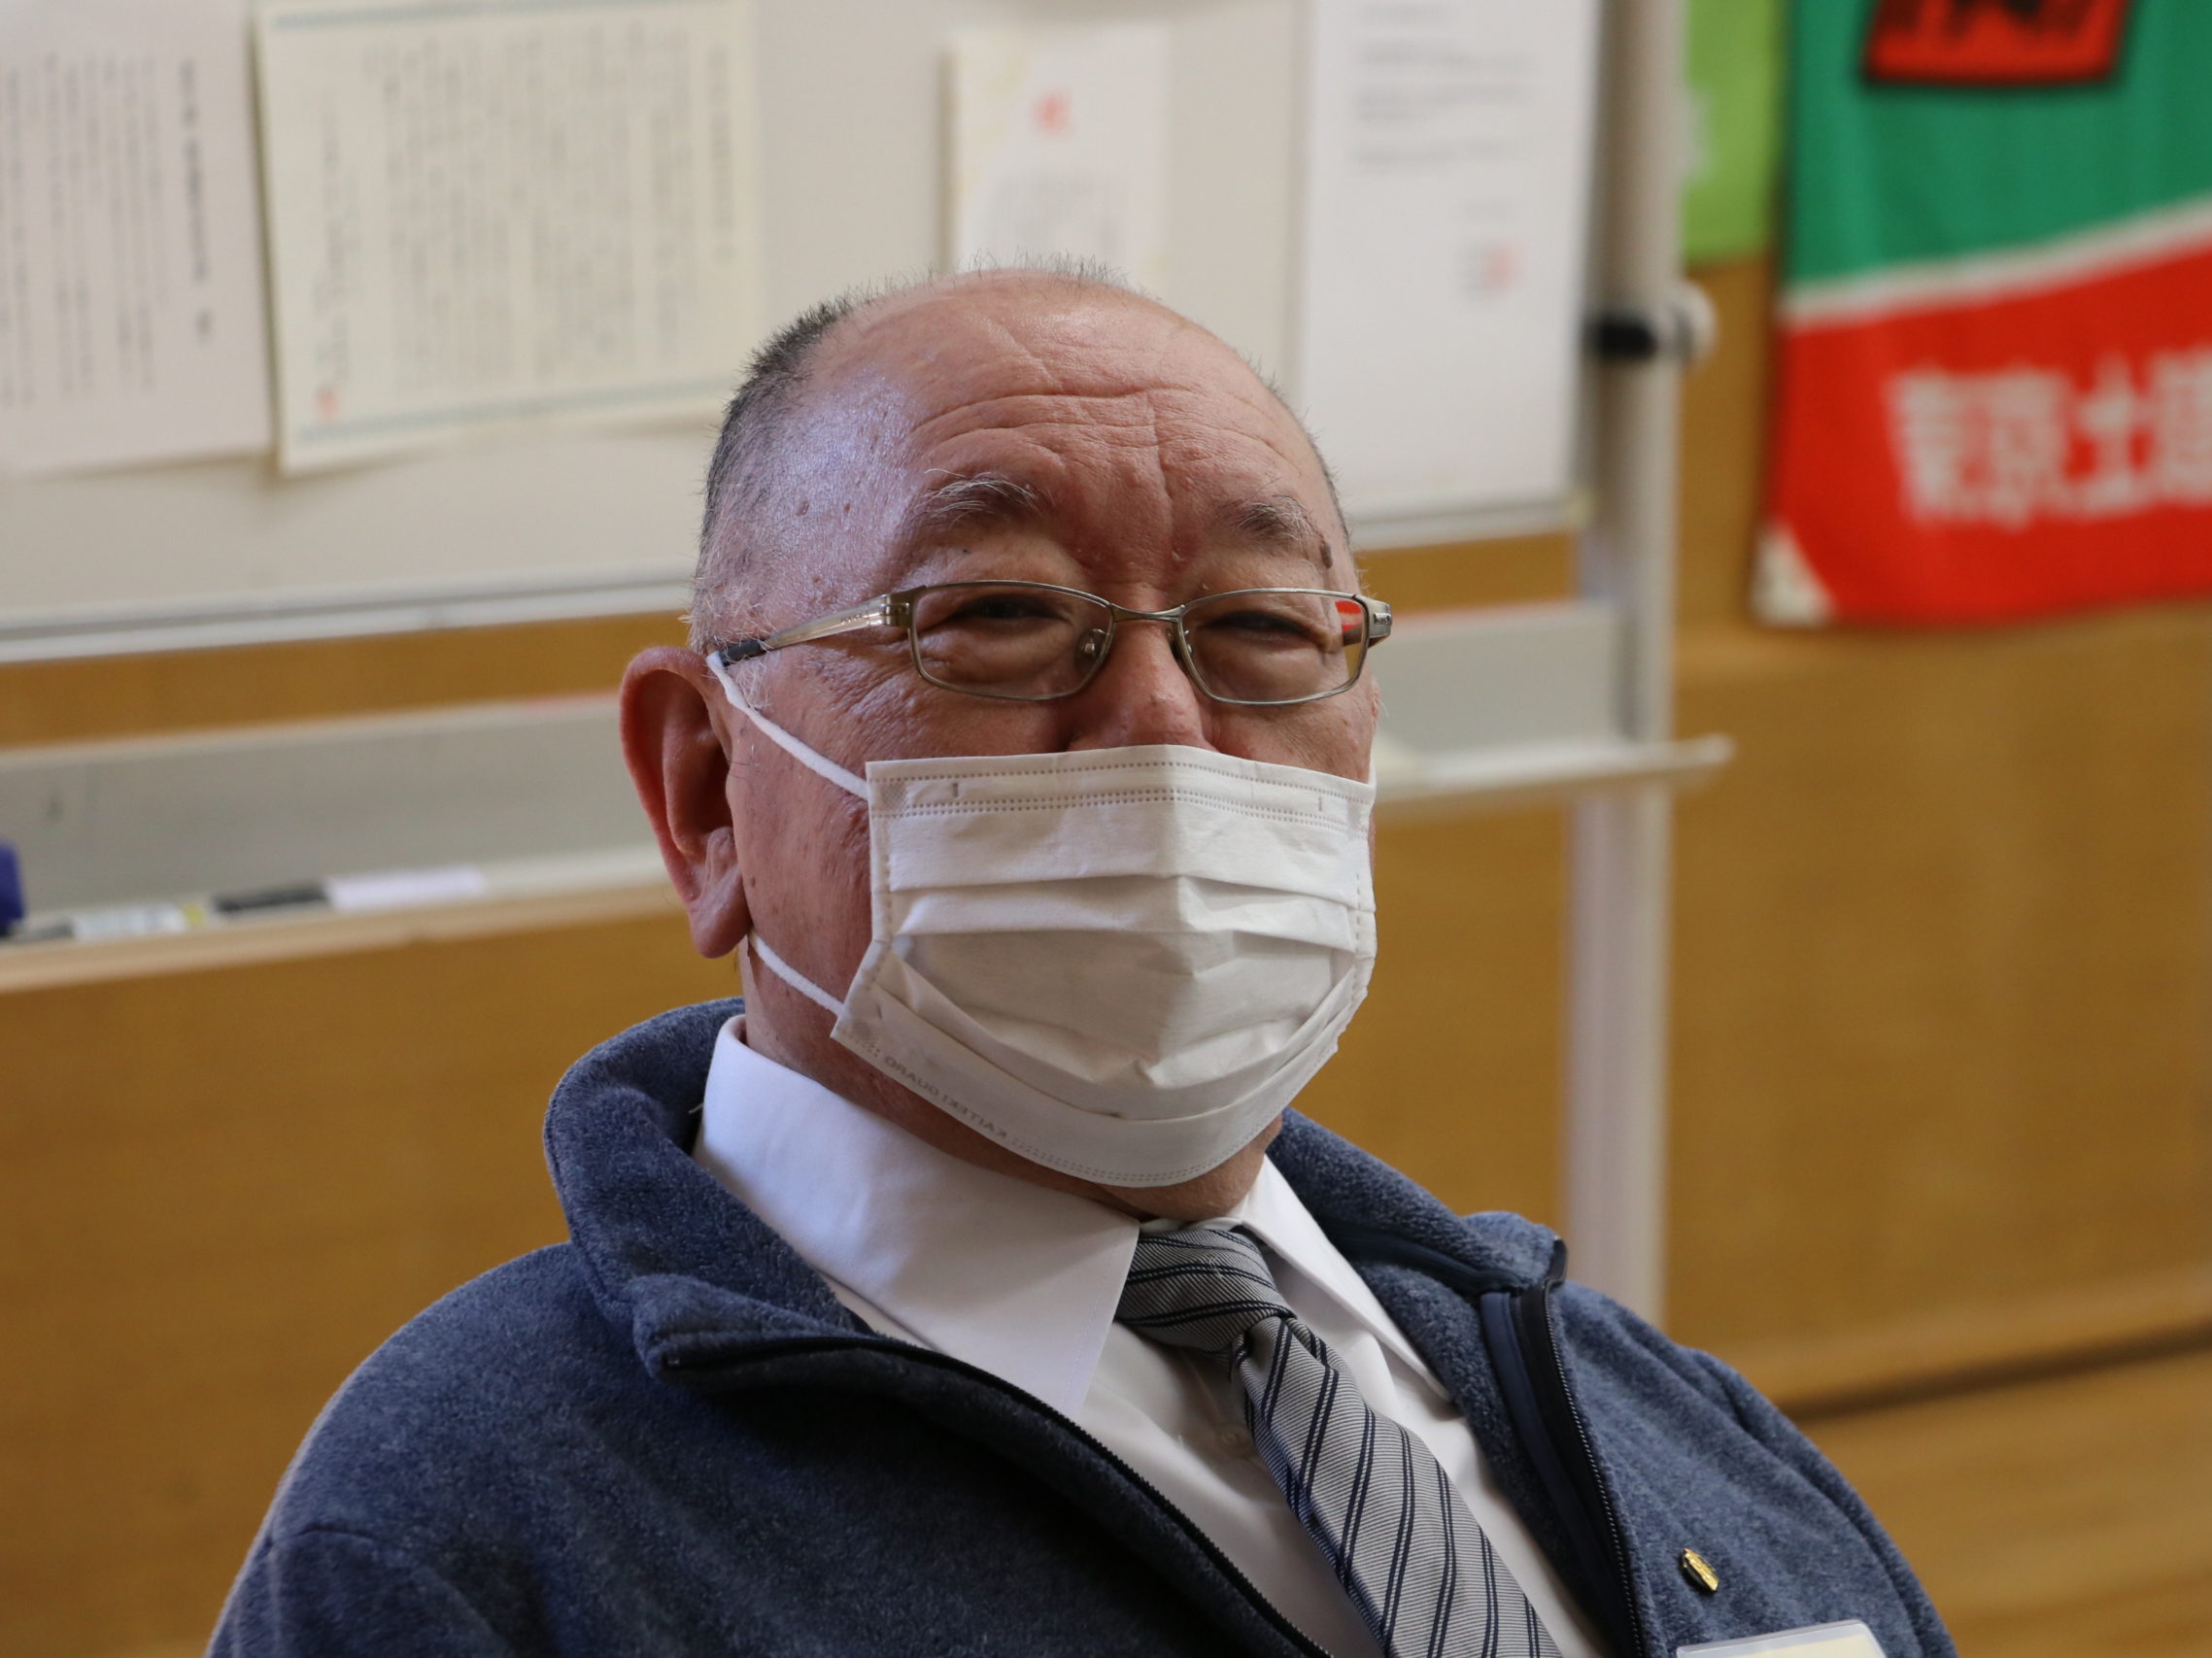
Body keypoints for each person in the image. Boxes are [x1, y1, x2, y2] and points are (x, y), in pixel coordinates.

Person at [212, 270, 1953, 1658]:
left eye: (1261, 627)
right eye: (999, 618)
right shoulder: (474, 1534)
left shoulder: (1651, 1414)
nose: (1165, 728)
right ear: (706, 792)